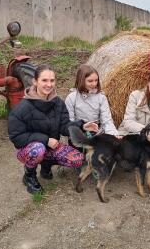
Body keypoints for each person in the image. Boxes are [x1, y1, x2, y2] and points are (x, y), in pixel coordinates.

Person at [8, 64, 98, 194]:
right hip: (29, 150)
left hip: (52, 147)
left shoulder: (58, 103)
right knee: (38, 149)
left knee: (77, 159)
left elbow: (64, 127)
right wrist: (45, 140)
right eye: (44, 80)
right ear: (35, 81)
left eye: (52, 80)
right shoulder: (22, 108)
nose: (49, 84)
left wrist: (81, 126)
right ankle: (29, 176)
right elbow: (16, 137)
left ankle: (46, 164)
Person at [65, 64, 118, 136]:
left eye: (96, 80)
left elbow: (107, 121)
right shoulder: (72, 98)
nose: (94, 84)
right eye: (90, 81)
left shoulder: (101, 97)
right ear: (81, 80)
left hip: (97, 133)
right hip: (79, 133)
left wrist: (114, 135)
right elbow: (70, 122)